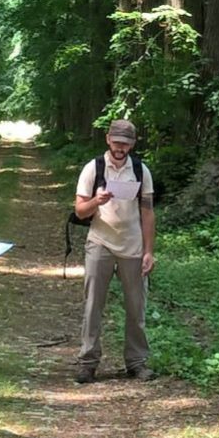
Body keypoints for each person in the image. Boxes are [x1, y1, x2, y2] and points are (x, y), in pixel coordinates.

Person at [72, 119, 156, 383]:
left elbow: (147, 212)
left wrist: (149, 251)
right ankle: (88, 362)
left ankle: (137, 362)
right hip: (100, 242)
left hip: (133, 246)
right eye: (117, 142)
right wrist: (97, 200)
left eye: (126, 143)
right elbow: (79, 210)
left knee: (136, 306)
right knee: (93, 304)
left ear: (133, 144)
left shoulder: (141, 170)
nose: (121, 148)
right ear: (108, 139)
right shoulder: (93, 168)